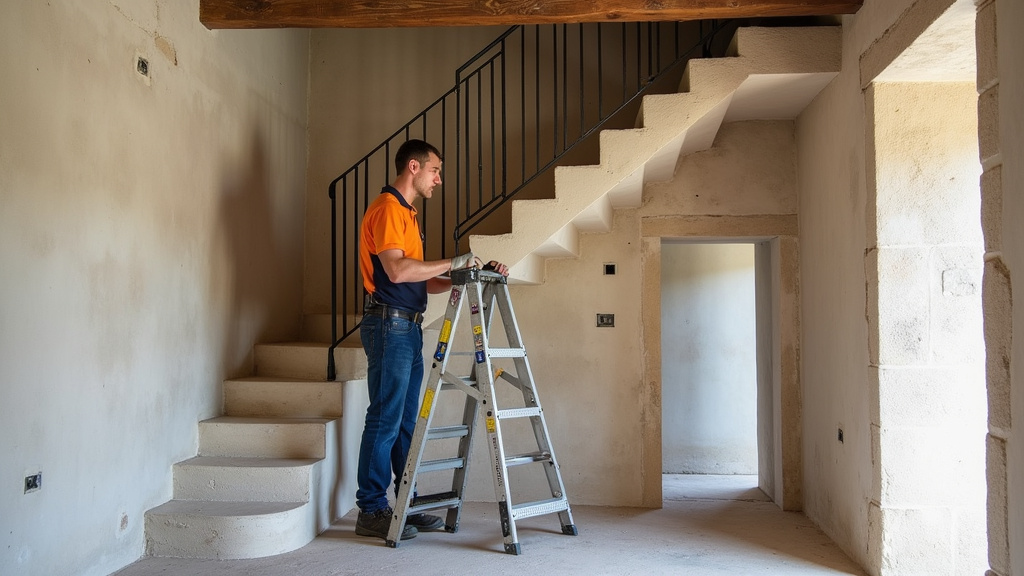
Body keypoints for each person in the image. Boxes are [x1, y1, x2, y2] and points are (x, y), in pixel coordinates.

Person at [355, 139, 509, 540]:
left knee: (407, 422)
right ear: (413, 167)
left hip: (406, 324)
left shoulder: (407, 213)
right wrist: (453, 260)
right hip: (390, 325)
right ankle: (371, 509)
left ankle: (403, 504)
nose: (439, 179)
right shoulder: (389, 209)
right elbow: (398, 271)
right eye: (435, 170)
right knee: (386, 419)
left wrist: (469, 272)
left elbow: (424, 279)